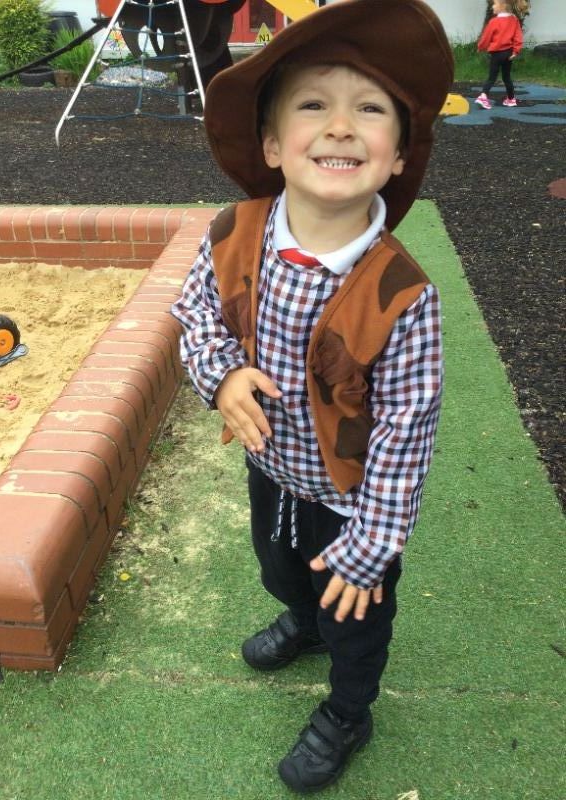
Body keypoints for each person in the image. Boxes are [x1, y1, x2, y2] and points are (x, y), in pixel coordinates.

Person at [171, 0, 453, 792]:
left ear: (399, 155)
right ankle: (302, 617)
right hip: (271, 466)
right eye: (313, 105)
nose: (340, 126)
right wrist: (222, 375)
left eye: (370, 109)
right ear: (271, 144)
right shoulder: (234, 231)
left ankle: (349, 709)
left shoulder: (404, 295)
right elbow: (195, 313)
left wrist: (371, 548)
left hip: (352, 500)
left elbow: (406, 431)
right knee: (280, 565)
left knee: (355, 615)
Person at [476, 0, 524, 109]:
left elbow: (486, 37)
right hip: (508, 54)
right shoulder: (514, 20)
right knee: (507, 77)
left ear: (502, 6)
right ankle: (511, 99)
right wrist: (515, 51)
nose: (493, 6)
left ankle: (483, 96)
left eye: (495, 4)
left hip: (496, 54)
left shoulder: (494, 22)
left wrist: (481, 47)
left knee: (492, 77)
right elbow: (518, 37)